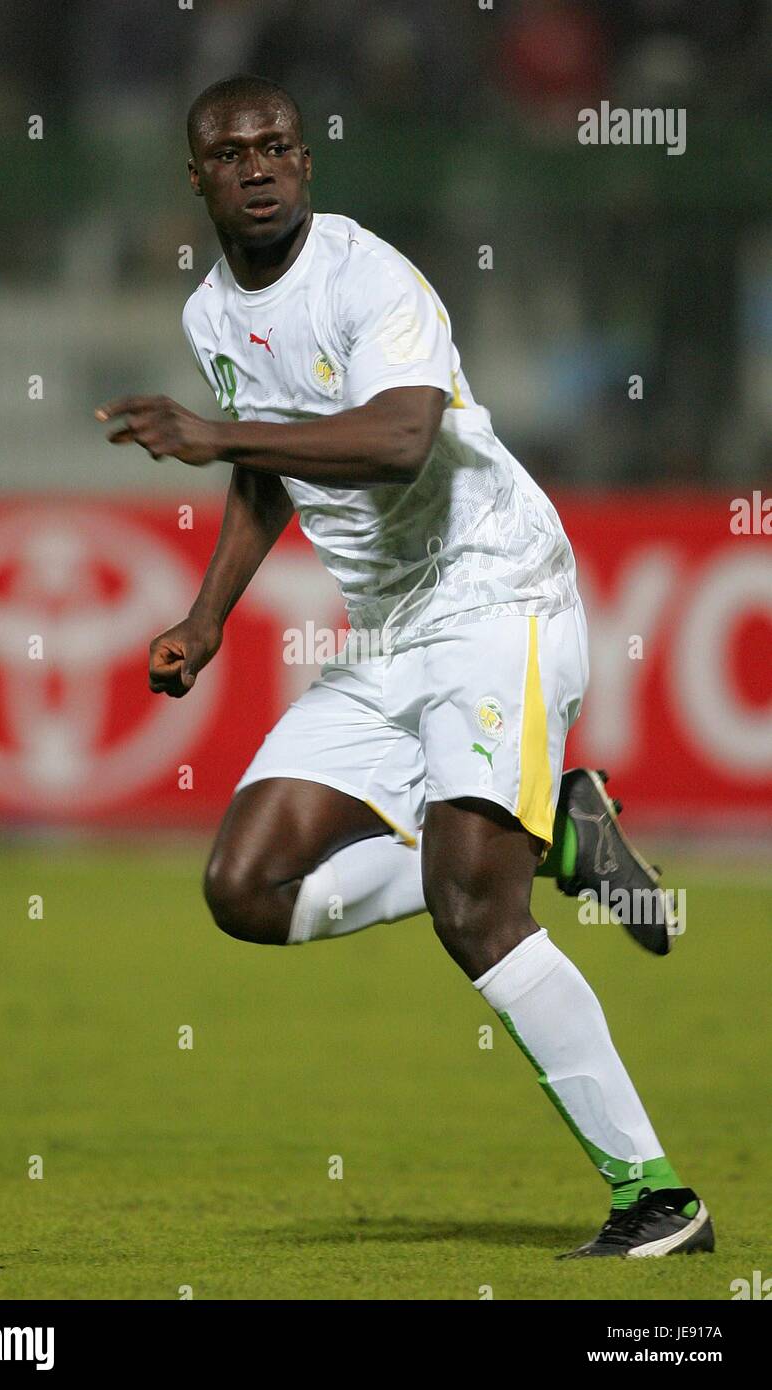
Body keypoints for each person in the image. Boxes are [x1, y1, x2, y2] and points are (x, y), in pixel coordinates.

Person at [96, 74, 711, 1258]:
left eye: (279, 144)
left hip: (497, 594)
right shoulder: (210, 318)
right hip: (392, 632)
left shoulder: (366, 276)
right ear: (198, 179)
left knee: (473, 907)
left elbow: (398, 436)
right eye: (234, 154)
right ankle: (565, 833)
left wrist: (215, 430)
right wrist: (208, 616)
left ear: (306, 162)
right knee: (245, 886)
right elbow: (266, 469)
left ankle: (657, 1198)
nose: (261, 166)